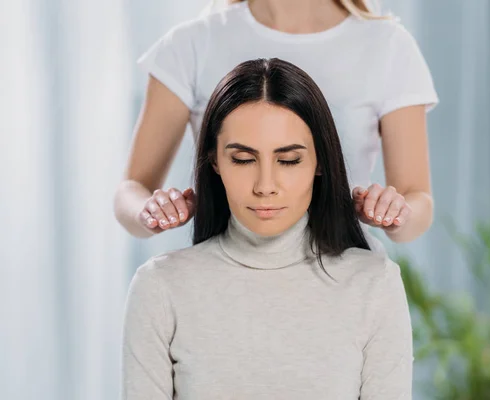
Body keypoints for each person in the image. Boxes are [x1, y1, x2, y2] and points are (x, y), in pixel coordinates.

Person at [121, 58, 412, 399]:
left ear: (320, 161)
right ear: (214, 161)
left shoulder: (374, 283)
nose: (265, 186)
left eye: (288, 160)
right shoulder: (160, 287)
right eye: (243, 160)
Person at [113, 0, 439, 254]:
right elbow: (132, 188)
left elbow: (417, 200)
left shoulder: (388, 47)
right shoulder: (192, 44)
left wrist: (393, 213)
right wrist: (150, 211)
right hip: (222, 284)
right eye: (242, 159)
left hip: (343, 288)